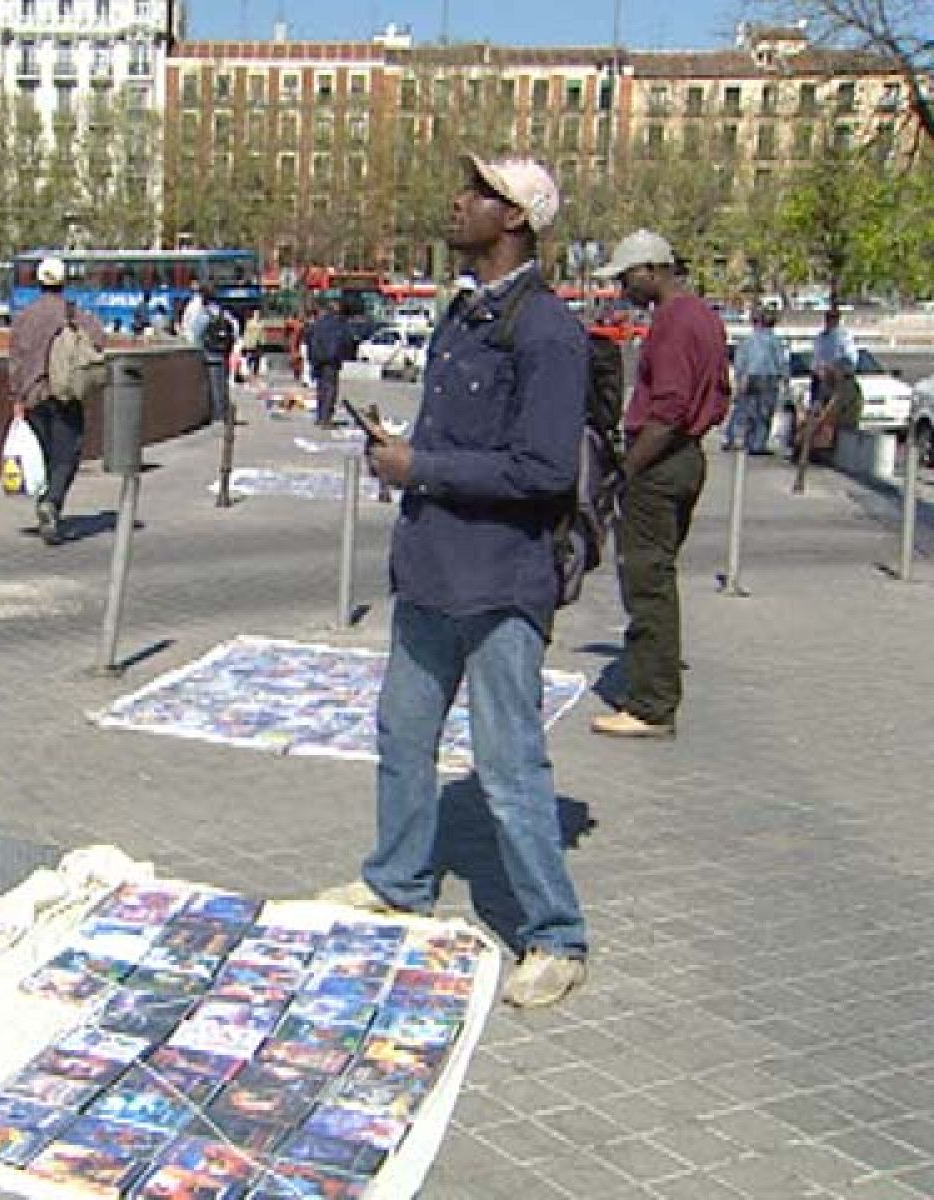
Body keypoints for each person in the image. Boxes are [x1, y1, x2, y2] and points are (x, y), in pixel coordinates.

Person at [317, 154, 590, 1009]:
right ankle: (398, 879)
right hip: (431, 571)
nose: (457, 200)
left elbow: (545, 471)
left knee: (508, 766)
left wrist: (419, 467)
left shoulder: (546, 331)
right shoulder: (461, 316)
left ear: (514, 219)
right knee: (402, 735)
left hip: (500, 583)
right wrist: (406, 453)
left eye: (477, 193)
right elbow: (465, 441)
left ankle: (554, 936)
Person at [590, 230, 729, 738]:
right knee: (657, 575)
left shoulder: (673, 322)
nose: (623, 288)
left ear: (651, 270)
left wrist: (629, 468)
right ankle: (652, 692)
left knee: (647, 580)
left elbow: (669, 408)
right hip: (686, 458)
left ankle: (650, 704)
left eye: (626, 278)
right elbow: (715, 395)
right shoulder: (704, 317)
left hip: (662, 464)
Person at [8, 254, 106, 546]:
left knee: (44, 454)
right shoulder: (70, 312)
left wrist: (17, 399)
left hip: (33, 397)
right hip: (63, 393)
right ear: (63, 282)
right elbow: (99, 338)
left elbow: (15, 361)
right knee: (68, 454)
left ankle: (45, 501)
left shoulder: (24, 316)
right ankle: (51, 502)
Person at [728, 307, 786, 454]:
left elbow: (740, 360)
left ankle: (737, 438)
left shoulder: (748, 339)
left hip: (750, 376)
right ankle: (757, 444)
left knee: (746, 408)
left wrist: (740, 377)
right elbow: (780, 361)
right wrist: (785, 376)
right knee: (764, 412)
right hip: (768, 377)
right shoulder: (774, 340)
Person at [801, 306, 857, 457]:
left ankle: (826, 447)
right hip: (819, 378)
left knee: (831, 414)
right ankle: (812, 446)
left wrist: (834, 369)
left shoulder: (844, 337)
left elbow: (850, 359)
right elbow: (816, 357)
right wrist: (817, 369)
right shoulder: (821, 337)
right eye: (828, 318)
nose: (829, 321)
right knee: (816, 412)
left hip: (834, 379)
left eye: (833, 318)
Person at [305, 297, 354, 427]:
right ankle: (325, 419)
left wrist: (312, 358)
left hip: (318, 360)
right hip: (331, 361)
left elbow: (309, 337)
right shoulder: (339, 323)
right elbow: (346, 340)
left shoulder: (319, 322)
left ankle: (320, 417)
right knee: (330, 390)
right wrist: (343, 355)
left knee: (321, 389)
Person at [198, 294, 239, 423]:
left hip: (210, 354)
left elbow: (196, 335)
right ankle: (224, 411)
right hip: (223, 354)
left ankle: (217, 415)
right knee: (223, 384)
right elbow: (235, 333)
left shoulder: (205, 316)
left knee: (214, 386)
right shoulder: (226, 316)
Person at [241, 309, 265, 380]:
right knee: (251, 357)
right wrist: (245, 343)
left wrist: (263, 342)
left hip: (258, 343)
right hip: (251, 343)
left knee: (257, 358)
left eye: (258, 314)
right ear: (253, 315)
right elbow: (246, 333)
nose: (257, 316)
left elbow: (262, 334)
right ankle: (249, 370)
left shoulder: (261, 323)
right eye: (256, 314)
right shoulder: (249, 323)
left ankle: (255, 372)